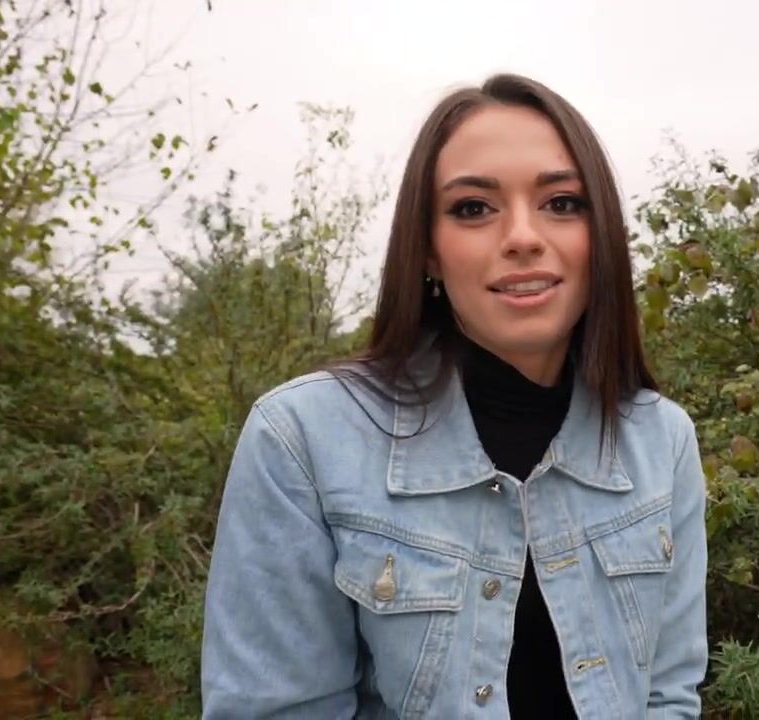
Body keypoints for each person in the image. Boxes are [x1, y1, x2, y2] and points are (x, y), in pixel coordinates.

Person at [200, 72, 709, 719]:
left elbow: (668, 694)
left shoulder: (662, 439)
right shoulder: (302, 437)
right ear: (429, 252)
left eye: (561, 203)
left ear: (600, 235)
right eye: (473, 208)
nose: (523, 236)